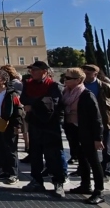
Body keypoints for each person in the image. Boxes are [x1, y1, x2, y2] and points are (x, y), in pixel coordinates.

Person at [20, 61, 66, 198]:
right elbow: (24, 99)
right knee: (35, 154)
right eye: (31, 70)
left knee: (54, 155)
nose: (32, 72)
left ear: (44, 71)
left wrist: (33, 105)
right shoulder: (28, 84)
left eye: (35, 70)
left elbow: (52, 102)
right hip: (34, 124)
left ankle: (58, 182)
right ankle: (36, 181)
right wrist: (36, 102)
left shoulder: (53, 85)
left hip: (50, 125)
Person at [63, 68, 106, 205]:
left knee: (93, 161)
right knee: (82, 159)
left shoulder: (86, 94)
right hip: (73, 130)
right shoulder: (66, 93)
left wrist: (98, 138)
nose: (65, 80)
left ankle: (99, 190)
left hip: (87, 132)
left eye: (69, 78)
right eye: (65, 77)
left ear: (78, 80)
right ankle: (85, 185)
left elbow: (96, 118)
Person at [0, 69, 24, 185]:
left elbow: (18, 109)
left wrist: (18, 125)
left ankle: (13, 174)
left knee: (10, 149)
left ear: (4, 80)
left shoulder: (12, 93)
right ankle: (5, 170)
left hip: (9, 124)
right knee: (0, 148)